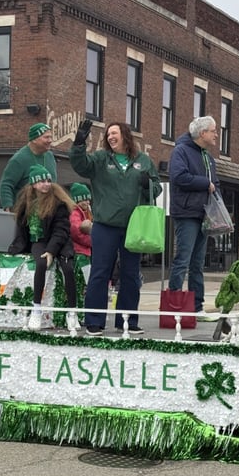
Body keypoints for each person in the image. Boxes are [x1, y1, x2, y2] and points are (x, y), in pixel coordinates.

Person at [70, 120, 162, 336]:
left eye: (114, 133)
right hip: (105, 226)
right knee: (100, 272)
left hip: (134, 227)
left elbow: (156, 187)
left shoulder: (143, 161)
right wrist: (78, 144)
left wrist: (148, 184)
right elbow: (81, 165)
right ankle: (94, 321)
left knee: (131, 274)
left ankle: (127, 321)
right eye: (108, 134)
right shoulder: (101, 159)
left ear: (125, 135)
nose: (111, 137)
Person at [8, 165, 79, 331]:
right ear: (33, 184)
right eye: (41, 181)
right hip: (39, 241)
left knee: (68, 268)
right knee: (41, 264)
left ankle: (72, 312)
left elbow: (61, 230)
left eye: (48, 181)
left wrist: (51, 251)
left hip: (59, 242)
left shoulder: (59, 204)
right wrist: (16, 248)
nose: (46, 184)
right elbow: (22, 229)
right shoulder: (27, 204)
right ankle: (36, 309)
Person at [167, 115, 221, 317]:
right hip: (187, 214)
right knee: (183, 260)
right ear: (202, 133)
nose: (216, 134)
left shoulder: (208, 157)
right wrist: (205, 184)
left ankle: (197, 307)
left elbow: (216, 184)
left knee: (198, 264)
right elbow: (179, 177)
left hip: (204, 215)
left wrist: (220, 209)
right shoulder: (180, 151)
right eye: (214, 130)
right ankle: (173, 306)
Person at [0, 123, 58, 211]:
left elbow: (54, 185)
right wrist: (8, 207)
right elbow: (5, 184)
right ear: (34, 139)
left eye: (50, 137)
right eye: (46, 137)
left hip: (47, 210)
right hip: (25, 213)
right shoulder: (19, 159)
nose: (50, 140)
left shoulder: (50, 156)